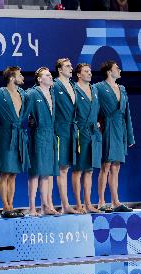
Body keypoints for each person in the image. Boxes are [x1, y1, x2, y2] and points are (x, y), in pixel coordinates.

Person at [96, 61, 135, 212]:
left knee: (116, 167)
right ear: (109, 71)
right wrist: (96, 124)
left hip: (120, 130)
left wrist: (130, 136)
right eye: (116, 68)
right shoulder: (98, 87)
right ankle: (101, 202)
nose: (119, 70)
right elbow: (94, 108)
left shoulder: (122, 88)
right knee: (105, 165)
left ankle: (115, 202)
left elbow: (127, 114)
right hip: (107, 128)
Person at [0, 66, 29, 218]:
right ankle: (5, 207)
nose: (23, 78)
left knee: (13, 173)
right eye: (20, 75)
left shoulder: (23, 94)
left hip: (19, 135)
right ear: (12, 78)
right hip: (6, 135)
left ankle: (11, 205)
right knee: (5, 173)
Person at [27, 67, 59, 216]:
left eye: (50, 75)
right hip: (38, 135)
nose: (50, 77)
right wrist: (29, 121)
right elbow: (24, 111)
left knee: (46, 173)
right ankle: (32, 207)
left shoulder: (52, 93)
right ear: (40, 79)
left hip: (50, 135)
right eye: (47, 75)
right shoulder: (33, 93)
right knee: (35, 173)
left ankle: (45, 206)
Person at [72, 63, 102, 213]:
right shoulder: (74, 89)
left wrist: (97, 123)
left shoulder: (94, 89)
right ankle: (78, 204)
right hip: (80, 132)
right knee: (78, 169)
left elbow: (98, 110)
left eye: (90, 71)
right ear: (78, 74)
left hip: (93, 132)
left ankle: (88, 203)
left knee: (89, 170)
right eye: (86, 71)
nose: (90, 73)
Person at [53, 58, 81, 214]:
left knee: (68, 167)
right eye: (68, 66)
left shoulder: (73, 86)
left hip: (72, 130)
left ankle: (67, 204)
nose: (71, 68)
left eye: (71, 66)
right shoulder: (55, 85)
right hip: (60, 130)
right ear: (60, 70)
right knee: (61, 168)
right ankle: (65, 205)